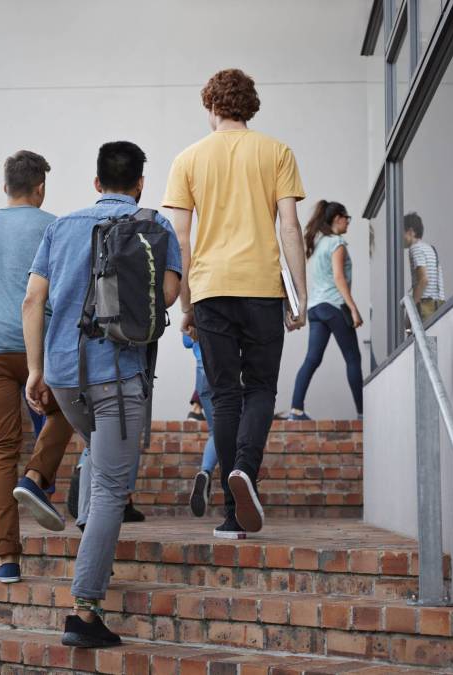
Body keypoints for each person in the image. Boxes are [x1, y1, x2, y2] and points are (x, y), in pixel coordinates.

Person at [24, 141, 181, 648]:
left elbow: (33, 299)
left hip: (65, 375)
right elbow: (170, 295)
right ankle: (84, 612)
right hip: (119, 372)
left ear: (96, 184)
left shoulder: (60, 227)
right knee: (114, 486)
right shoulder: (156, 228)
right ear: (140, 184)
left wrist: (35, 369)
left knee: (99, 459)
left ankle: (96, 540)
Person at [164, 68, 307, 538]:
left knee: (223, 396)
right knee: (261, 387)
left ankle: (230, 513)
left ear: (211, 106)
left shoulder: (188, 158)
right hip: (263, 287)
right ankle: (246, 469)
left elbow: (180, 240)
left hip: (210, 290)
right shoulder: (277, 152)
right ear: (250, 106)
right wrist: (299, 293)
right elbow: (289, 227)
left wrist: (186, 301)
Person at [0, 150, 74, 585]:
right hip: (37, 346)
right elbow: (58, 293)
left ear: (6, 185)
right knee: (65, 412)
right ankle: (37, 475)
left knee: (0, 447)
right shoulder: (55, 227)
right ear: (39, 187)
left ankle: (7, 558)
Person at [285, 201, 363, 421]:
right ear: (338, 217)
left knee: (312, 359)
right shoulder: (337, 243)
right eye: (347, 217)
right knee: (353, 359)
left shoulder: (318, 244)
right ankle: (362, 413)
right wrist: (353, 309)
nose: (348, 221)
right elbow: (339, 278)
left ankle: (296, 409)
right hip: (334, 306)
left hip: (316, 309)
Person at [183, 333, 218, 517]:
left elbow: (187, 341)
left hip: (202, 375)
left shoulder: (194, 306)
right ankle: (241, 489)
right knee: (239, 431)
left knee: (216, 432)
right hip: (228, 370)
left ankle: (205, 472)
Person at [403, 212, 445, 323]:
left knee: (415, 335)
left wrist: (411, 313)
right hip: (437, 306)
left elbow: (423, 280)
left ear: (411, 231)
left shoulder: (415, 249)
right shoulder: (430, 249)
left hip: (424, 308)